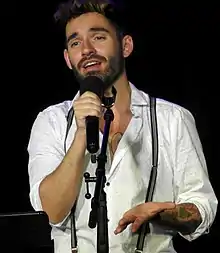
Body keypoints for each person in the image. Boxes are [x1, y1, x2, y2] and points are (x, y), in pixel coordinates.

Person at [27, 0, 218, 252]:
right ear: (67, 58)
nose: (86, 50)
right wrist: (82, 133)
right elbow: (51, 211)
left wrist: (165, 213)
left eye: (98, 37)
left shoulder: (172, 118)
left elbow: (201, 207)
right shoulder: (51, 121)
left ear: (125, 46)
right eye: (75, 43)